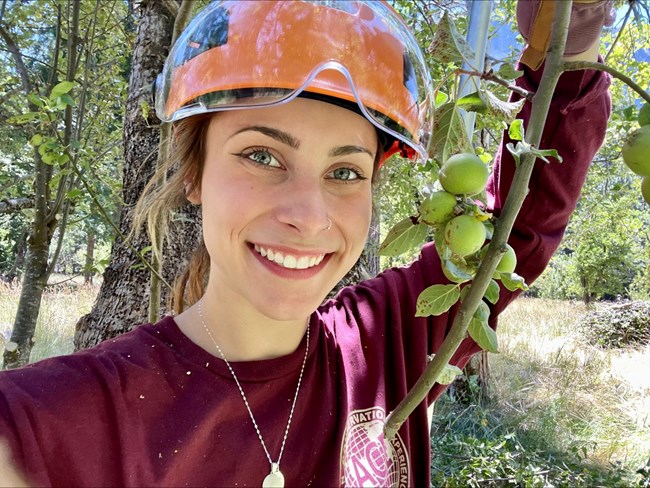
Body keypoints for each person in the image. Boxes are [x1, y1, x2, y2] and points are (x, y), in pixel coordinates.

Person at [0, 1, 612, 486]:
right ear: (195, 175)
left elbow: (515, 231)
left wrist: (570, 40)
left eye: (345, 172)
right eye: (262, 156)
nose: (309, 216)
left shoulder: (387, 340)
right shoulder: (66, 419)